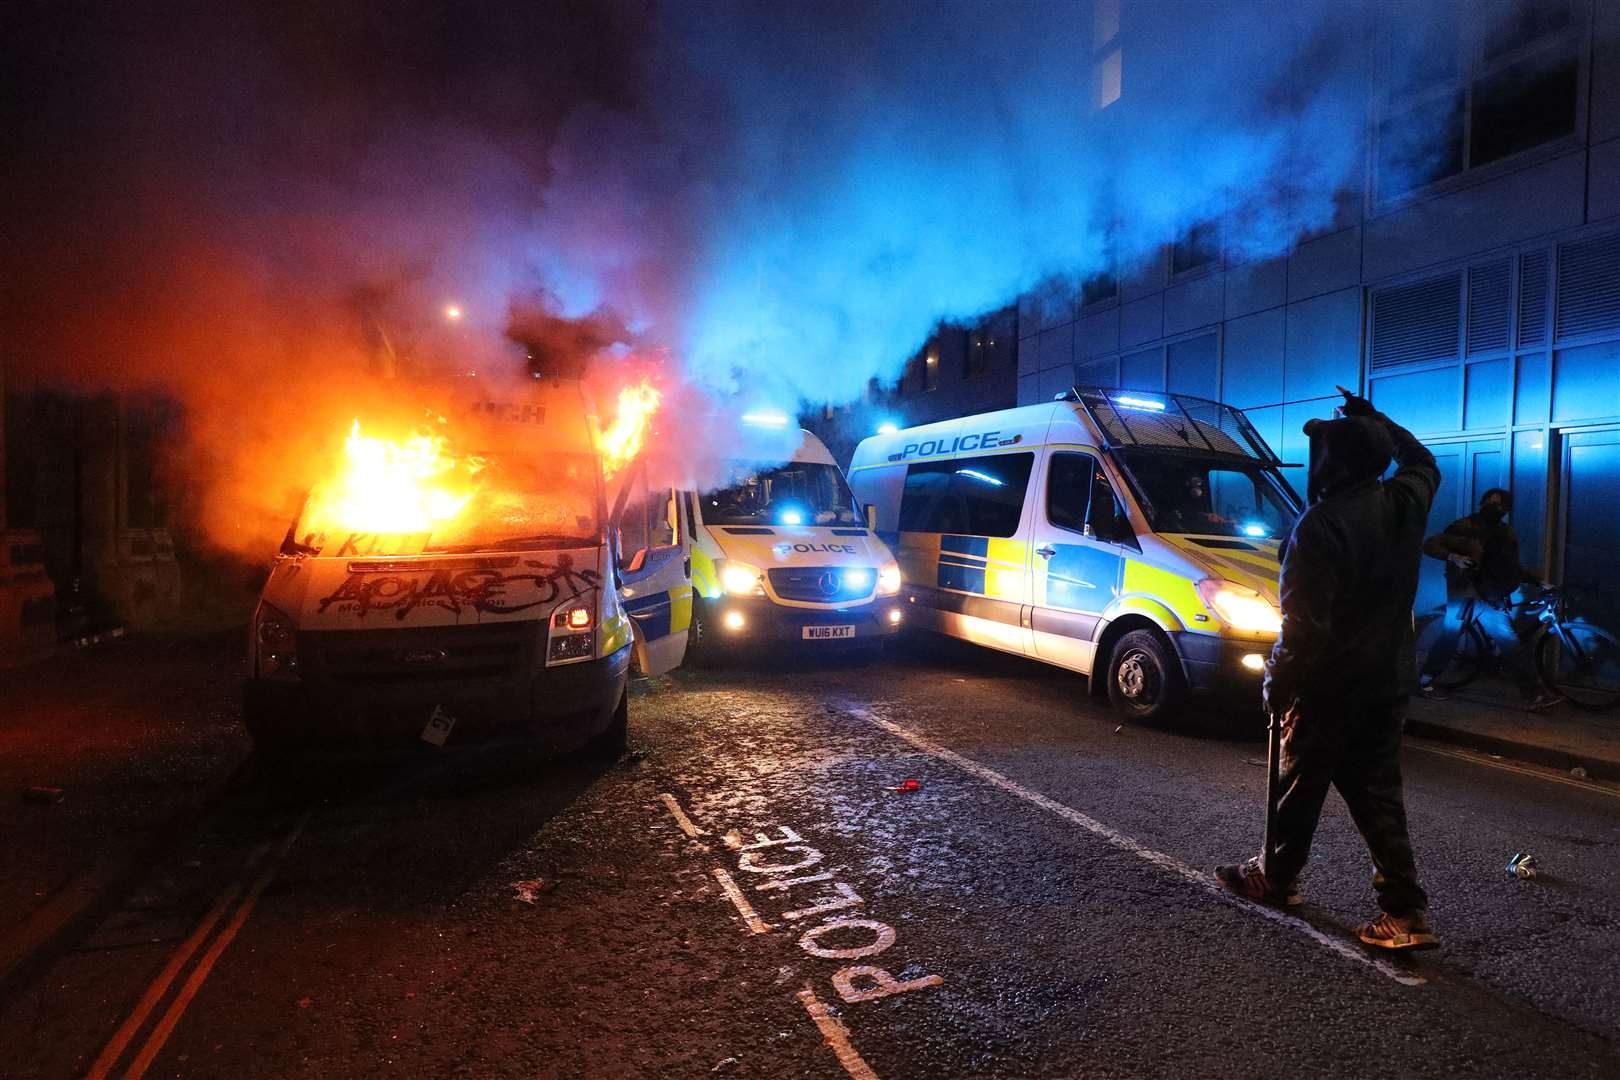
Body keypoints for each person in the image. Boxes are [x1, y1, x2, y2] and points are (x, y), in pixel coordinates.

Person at [1215, 386, 1440, 950]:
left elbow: (1304, 626)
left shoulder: (1318, 527)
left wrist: (1276, 681)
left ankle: (1278, 877)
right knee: (1377, 791)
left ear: (1331, 462)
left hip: (1329, 685)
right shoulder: (1405, 502)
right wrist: (1375, 419)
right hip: (1386, 680)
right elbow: (1423, 461)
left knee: (1299, 782)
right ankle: (1404, 911)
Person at [1417, 489, 1556, 709]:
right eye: (1491, 503)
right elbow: (1431, 544)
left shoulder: (1505, 532)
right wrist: (1454, 557)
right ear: (1482, 502)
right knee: (1451, 635)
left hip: (1491, 594)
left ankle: (1533, 694)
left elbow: (1511, 565)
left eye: (1500, 505)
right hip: (1466, 593)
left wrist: (1536, 581)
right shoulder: (1465, 526)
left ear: (1506, 510)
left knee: (1509, 642)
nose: (1494, 508)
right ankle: (1424, 680)